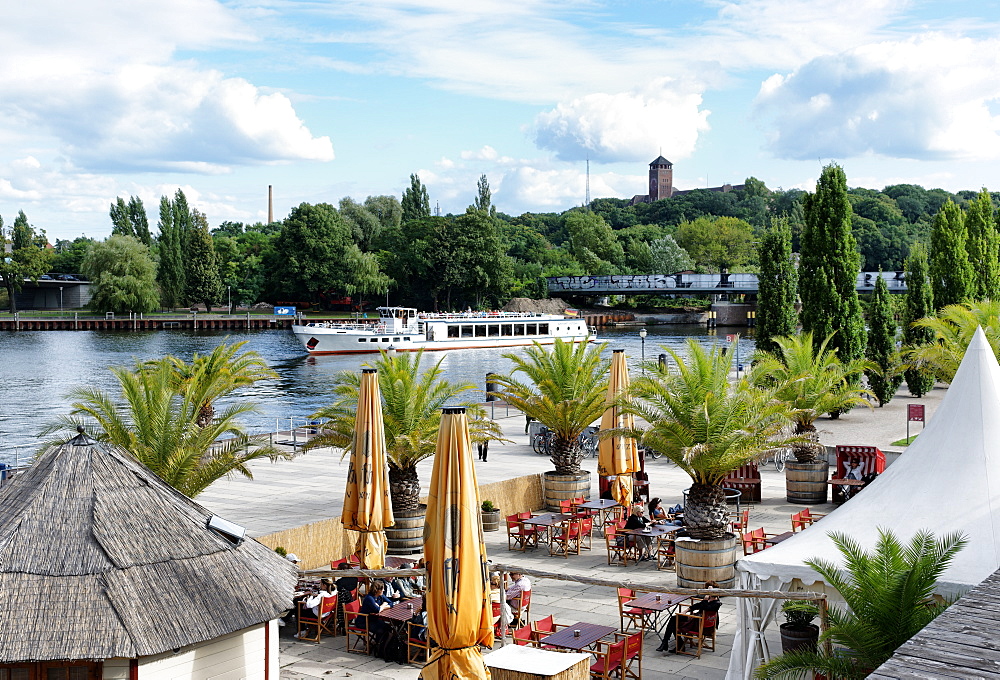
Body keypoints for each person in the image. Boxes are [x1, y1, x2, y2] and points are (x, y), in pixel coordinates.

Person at [657, 581, 722, 653]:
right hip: (697, 620)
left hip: (700, 624)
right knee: (674, 619)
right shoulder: (709, 600)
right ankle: (667, 642)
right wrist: (686, 610)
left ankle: (675, 643)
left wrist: (705, 600)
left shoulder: (716, 604)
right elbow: (697, 605)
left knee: (675, 622)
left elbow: (705, 606)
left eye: (708, 591)